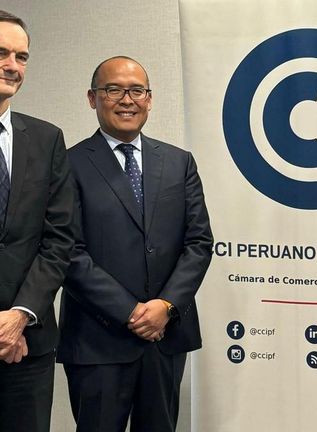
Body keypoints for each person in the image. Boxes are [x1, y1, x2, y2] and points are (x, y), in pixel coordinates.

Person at [57, 56, 213, 432]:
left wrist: (166, 305)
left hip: (165, 336)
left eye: (137, 91)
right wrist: (131, 312)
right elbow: (68, 251)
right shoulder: (66, 164)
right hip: (97, 341)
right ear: (92, 98)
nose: (127, 100)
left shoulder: (179, 162)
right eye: (113, 90)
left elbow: (199, 242)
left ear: (150, 99)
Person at [0, 10, 76, 432]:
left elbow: (59, 238)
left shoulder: (47, 140)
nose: (13, 65)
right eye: (1, 53)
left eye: (22, 56)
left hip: (27, 344)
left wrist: (18, 316)